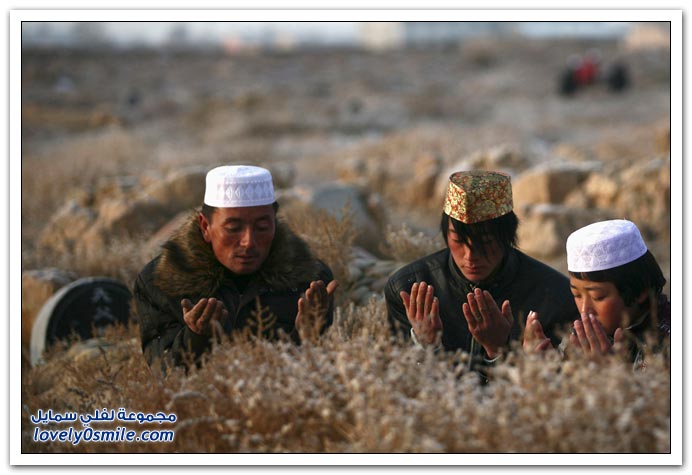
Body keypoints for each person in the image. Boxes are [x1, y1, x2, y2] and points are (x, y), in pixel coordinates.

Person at [134, 165, 337, 371]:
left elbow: (319, 374)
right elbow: (164, 373)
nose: (248, 241)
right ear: (206, 227)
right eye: (233, 229)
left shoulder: (310, 280)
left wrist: (308, 335)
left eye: (262, 228)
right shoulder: (161, 282)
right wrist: (196, 338)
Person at [385, 170, 578, 371]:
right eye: (459, 241)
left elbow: (547, 390)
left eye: (485, 242)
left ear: (507, 236)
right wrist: (426, 346)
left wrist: (498, 351)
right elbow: (403, 385)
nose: (470, 256)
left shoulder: (555, 297)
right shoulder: (407, 289)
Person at [524, 219, 670, 366]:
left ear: (641, 291)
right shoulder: (579, 337)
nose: (584, 311)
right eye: (577, 295)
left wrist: (606, 374)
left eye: (597, 297)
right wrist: (546, 370)